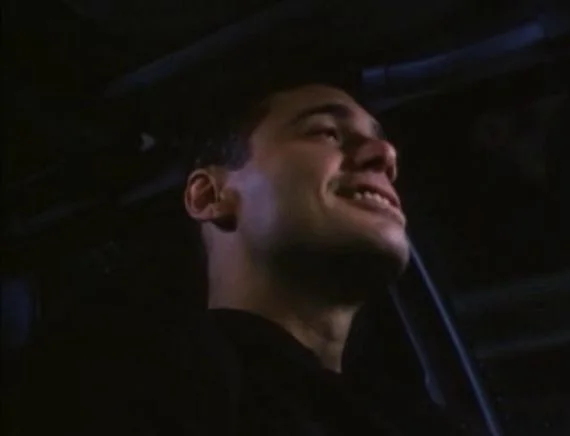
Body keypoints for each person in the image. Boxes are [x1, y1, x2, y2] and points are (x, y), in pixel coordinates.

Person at [9, 79, 468, 435]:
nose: (386, 154)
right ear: (209, 196)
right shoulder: (112, 380)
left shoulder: (420, 422)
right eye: (326, 131)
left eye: (383, 144)